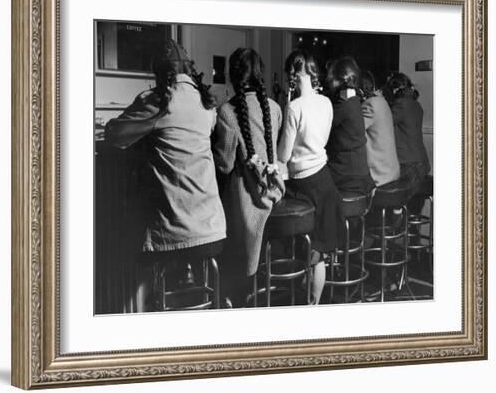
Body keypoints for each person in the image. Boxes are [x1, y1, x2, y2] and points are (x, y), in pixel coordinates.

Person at [105, 39, 227, 311]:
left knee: (124, 238)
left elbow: (114, 134)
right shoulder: (207, 103)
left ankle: (136, 315)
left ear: (159, 71)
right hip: (212, 229)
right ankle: (189, 287)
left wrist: (148, 130)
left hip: (172, 234)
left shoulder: (157, 100)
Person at [212, 47, 285, 307]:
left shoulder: (226, 112)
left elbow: (224, 165)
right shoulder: (275, 108)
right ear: (260, 74)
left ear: (233, 76)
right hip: (274, 194)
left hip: (246, 200)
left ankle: (235, 298)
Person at [277, 50, 345, 304]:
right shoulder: (326, 103)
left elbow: (283, 155)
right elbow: (323, 140)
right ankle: (314, 304)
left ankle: (299, 297)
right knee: (320, 251)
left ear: (293, 74)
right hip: (325, 181)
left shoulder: (294, 107)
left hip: (302, 184)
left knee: (303, 245)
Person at [325, 56, 375, 196]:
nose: (329, 82)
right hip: (361, 175)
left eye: (332, 79)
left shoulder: (343, 106)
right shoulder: (354, 101)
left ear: (342, 80)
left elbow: (322, 129)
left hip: (348, 177)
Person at [383, 72, 431, 211]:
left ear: (394, 90)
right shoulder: (416, 105)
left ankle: (394, 225)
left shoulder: (400, 105)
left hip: (409, 166)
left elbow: (384, 123)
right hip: (422, 165)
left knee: (379, 187)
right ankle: (406, 227)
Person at [359, 70, 400, 187]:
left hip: (380, 175)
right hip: (390, 171)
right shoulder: (382, 101)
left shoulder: (370, 105)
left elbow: (352, 131)